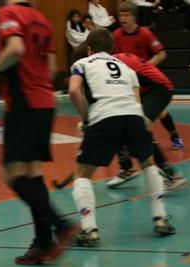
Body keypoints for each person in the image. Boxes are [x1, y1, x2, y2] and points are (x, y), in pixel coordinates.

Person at [0, 0, 79, 265]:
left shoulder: (8, 13)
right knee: (33, 172)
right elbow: (50, 69)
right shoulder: (42, 19)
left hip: (23, 103)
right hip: (45, 102)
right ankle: (43, 242)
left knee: (13, 175)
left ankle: (61, 225)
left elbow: (15, 48)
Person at [68, 28, 175, 246]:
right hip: (133, 116)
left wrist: (86, 119)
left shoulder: (82, 63)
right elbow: (135, 102)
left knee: (81, 175)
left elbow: (73, 90)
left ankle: (90, 230)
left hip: (104, 116)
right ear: (112, 48)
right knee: (148, 164)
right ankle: (160, 219)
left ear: (89, 49)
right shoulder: (126, 67)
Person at [71, 41, 187, 191]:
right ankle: (127, 167)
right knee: (115, 116)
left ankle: (170, 174)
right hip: (140, 88)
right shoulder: (105, 63)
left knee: (139, 125)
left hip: (157, 89)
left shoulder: (105, 65)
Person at [114, 1, 185, 151]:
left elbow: (161, 54)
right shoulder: (117, 35)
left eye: (127, 15)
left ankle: (173, 137)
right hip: (130, 84)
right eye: (121, 15)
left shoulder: (144, 33)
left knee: (157, 113)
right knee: (138, 114)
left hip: (147, 82)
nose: (123, 18)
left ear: (134, 17)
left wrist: (144, 67)